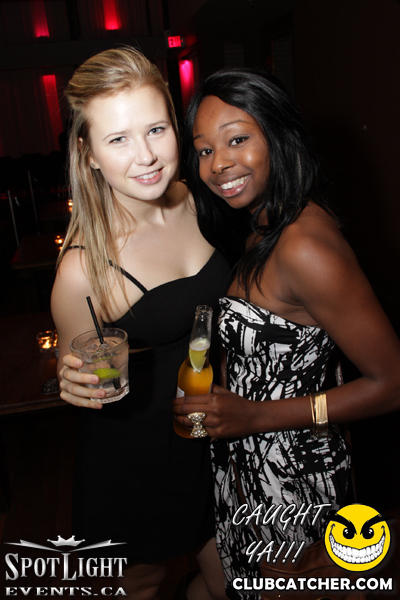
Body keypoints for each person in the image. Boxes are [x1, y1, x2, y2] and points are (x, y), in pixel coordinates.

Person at [172, 69, 400, 599]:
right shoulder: (264, 223)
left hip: (295, 485)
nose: (217, 164)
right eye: (204, 150)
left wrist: (254, 416)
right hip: (253, 467)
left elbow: (392, 383)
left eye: (236, 139)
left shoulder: (303, 246)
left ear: (277, 135)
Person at [51, 47, 229, 600]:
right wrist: (70, 378)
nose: (146, 156)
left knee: (232, 581)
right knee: (141, 584)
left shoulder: (202, 200)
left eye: (156, 129)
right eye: (118, 139)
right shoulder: (83, 268)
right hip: (133, 456)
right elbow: (73, 362)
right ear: (89, 154)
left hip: (211, 431)